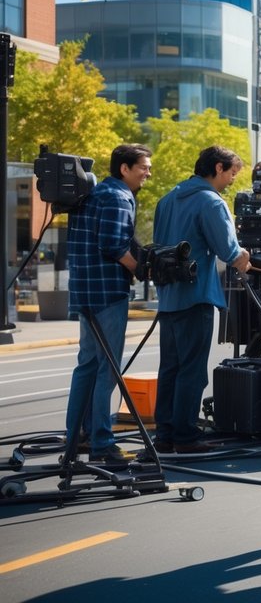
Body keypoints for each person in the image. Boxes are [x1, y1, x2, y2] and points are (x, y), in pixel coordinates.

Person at [152, 146, 251, 455]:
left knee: (170, 368)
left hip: (168, 298)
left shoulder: (167, 199)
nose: (233, 180)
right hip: (195, 297)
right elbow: (228, 251)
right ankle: (185, 436)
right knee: (192, 371)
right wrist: (243, 257)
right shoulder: (211, 201)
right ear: (218, 167)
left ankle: (165, 435)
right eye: (232, 173)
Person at [64, 144, 152, 464]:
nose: (148, 173)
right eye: (143, 167)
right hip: (108, 292)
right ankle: (102, 442)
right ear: (125, 168)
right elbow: (114, 245)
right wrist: (142, 270)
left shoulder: (92, 194)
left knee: (86, 365)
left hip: (85, 291)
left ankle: (77, 437)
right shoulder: (118, 197)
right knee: (107, 369)